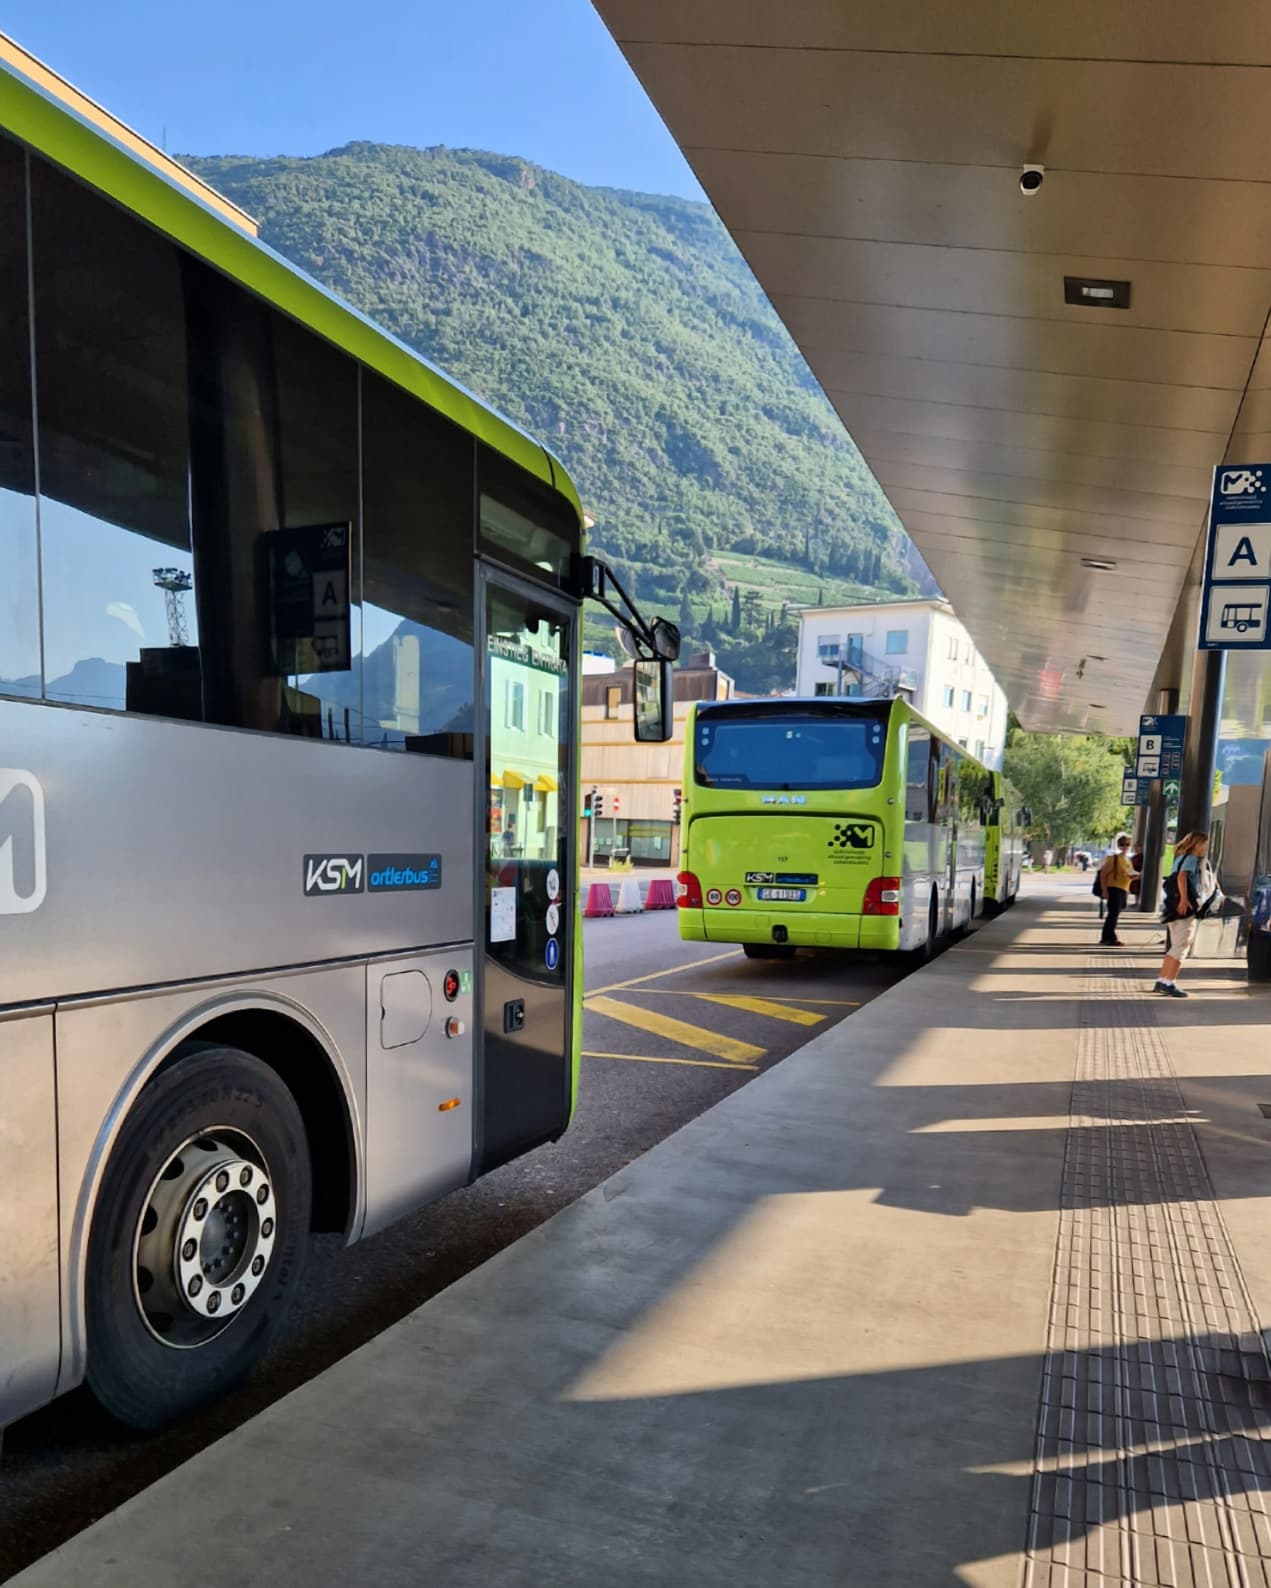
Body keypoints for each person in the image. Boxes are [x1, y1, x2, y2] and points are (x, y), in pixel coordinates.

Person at [1155, 830, 1217, 997]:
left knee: (1175, 945)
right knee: (1182, 946)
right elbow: (1182, 877)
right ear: (1197, 844)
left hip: (1173, 907)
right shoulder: (1191, 859)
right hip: (1185, 907)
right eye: (1204, 844)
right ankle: (1170, 982)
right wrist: (1184, 899)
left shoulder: (1180, 858)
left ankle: (1162, 979)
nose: (1206, 847)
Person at [1096, 834, 1137, 946]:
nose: (1125, 847)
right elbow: (1103, 875)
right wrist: (1104, 890)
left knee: (1115, 913)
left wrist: (1134, 877)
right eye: (1122, 845)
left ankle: (1109, 936)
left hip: (1124, 888)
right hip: (1114, 889)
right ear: (1118, 846)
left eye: (1127, 844)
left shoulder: (1127, 860)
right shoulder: (1113, 859)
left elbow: (1129, 874)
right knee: (1113, 914)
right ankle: (1108, 937)